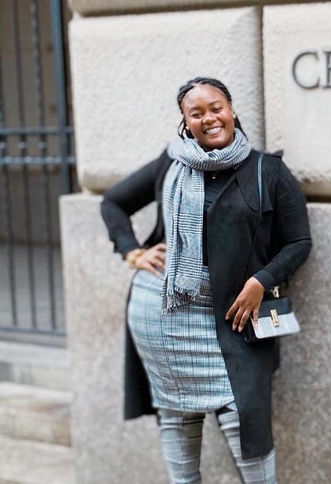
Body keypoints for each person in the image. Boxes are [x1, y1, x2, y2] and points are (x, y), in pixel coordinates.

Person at [101, 77, 312, 484]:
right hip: (165, 317)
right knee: (179, 427)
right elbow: (114, 202)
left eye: (215, 107)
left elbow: (299, 243)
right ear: (186, 122)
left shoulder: (268, 170)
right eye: (196, 113)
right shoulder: (171, 163)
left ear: (231, 109)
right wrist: (133, 252)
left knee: (249, 430)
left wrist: (261, 281)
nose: (208, 118)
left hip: (237, 319)